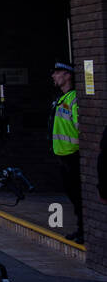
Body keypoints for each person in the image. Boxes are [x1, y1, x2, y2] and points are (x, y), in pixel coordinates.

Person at [50, 62, 82, 243]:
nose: (54, 76)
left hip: (73, 156)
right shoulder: (62, 99)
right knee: (73, 194)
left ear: (68, 75)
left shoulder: (73, 99)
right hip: (64, 155)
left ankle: (83, 230)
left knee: (78, 195)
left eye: (57, 73)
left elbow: (80, 128)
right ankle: (81, 229)